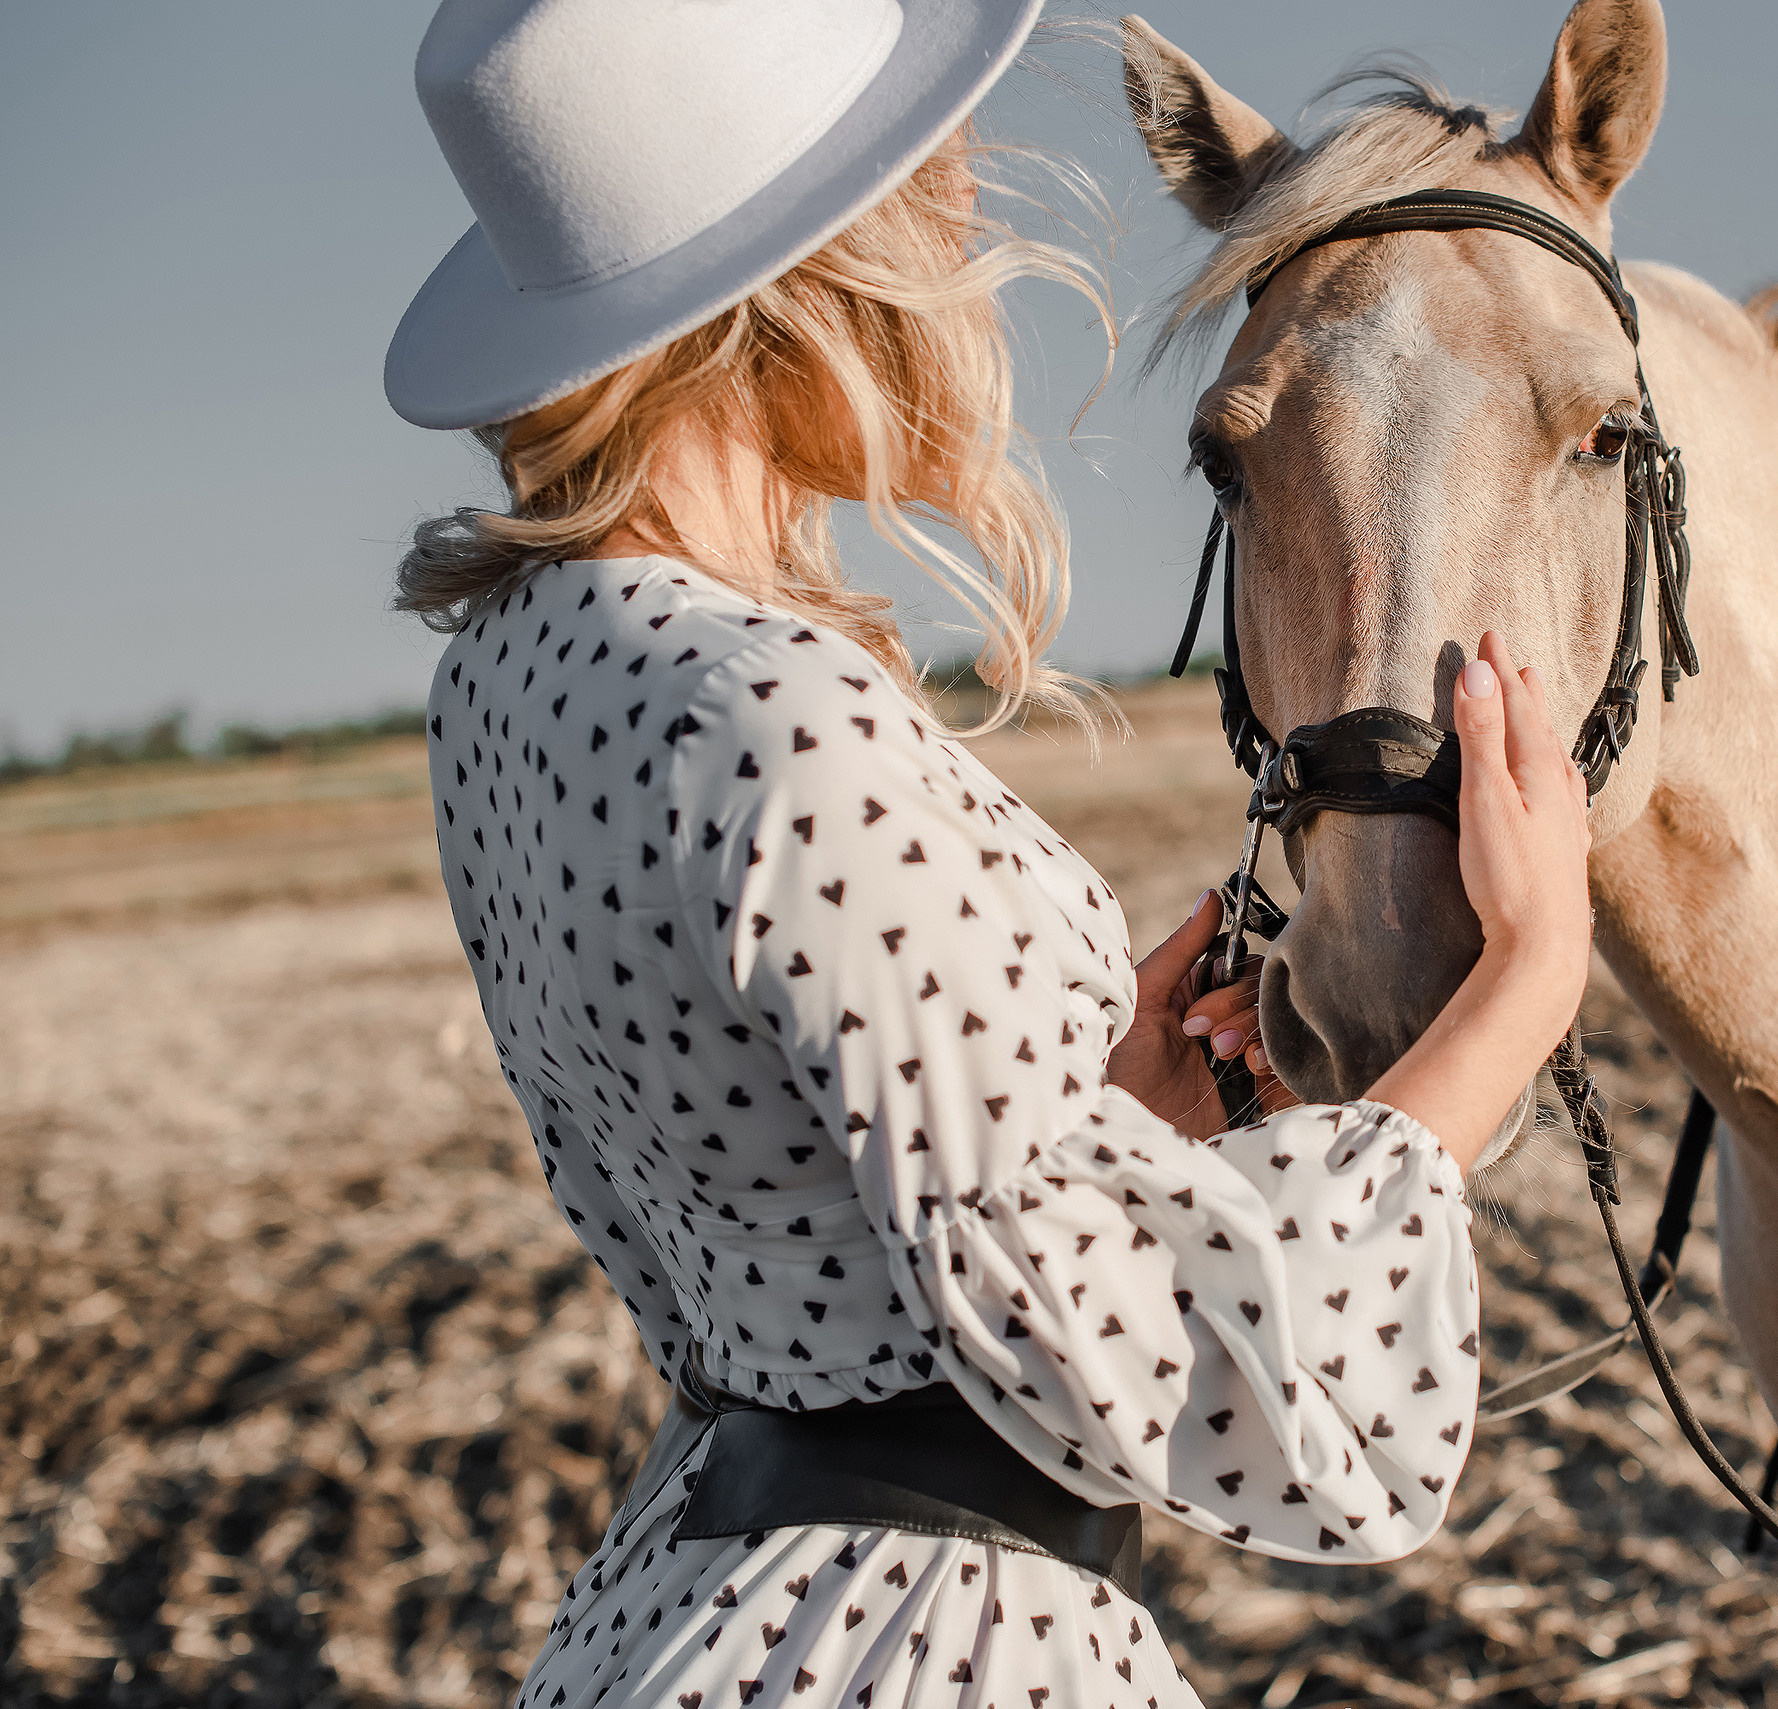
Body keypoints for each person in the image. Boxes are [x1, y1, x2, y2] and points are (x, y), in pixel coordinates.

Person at [383, 3, 1592, 1704]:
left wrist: (1107, 1115)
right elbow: (1166, 1367)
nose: (965, 223)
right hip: (921, 1641)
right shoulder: (779, 718)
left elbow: (806, 1190)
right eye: (919, 183)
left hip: (695, 1606)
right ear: (812, 270)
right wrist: (1514, 999)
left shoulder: (510, 681)